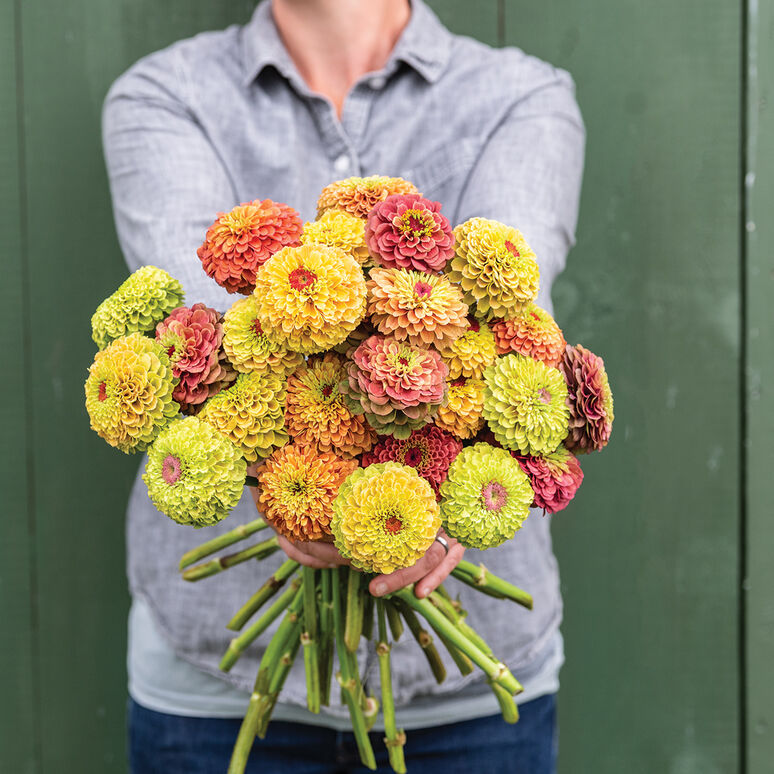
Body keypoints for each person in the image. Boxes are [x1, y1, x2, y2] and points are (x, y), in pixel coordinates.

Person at [102, 0, 584, 771]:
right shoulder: (166, 93)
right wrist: (303, 488)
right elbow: (215, 333)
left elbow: (507, 332)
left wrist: (443, 507)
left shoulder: (519, 94)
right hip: (216, 677)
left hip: (469, 685)